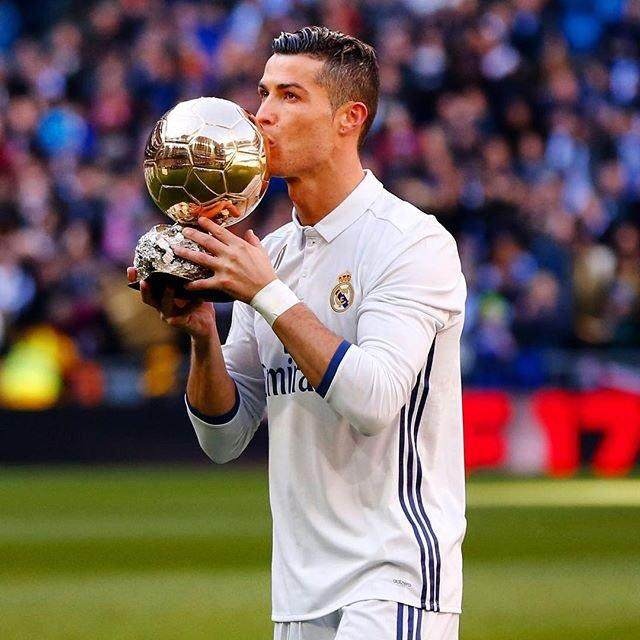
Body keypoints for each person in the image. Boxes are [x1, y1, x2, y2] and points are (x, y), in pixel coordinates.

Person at [127, 26, 466, 640]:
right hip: (299, 589)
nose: (262, 114)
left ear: (349, 119)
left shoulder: (411, 243)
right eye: (263, 93)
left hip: (394, 578)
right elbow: (225, 438)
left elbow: (373, 400)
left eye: (290, 96)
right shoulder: (274, 255)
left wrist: (266, 293)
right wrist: (202, 335)